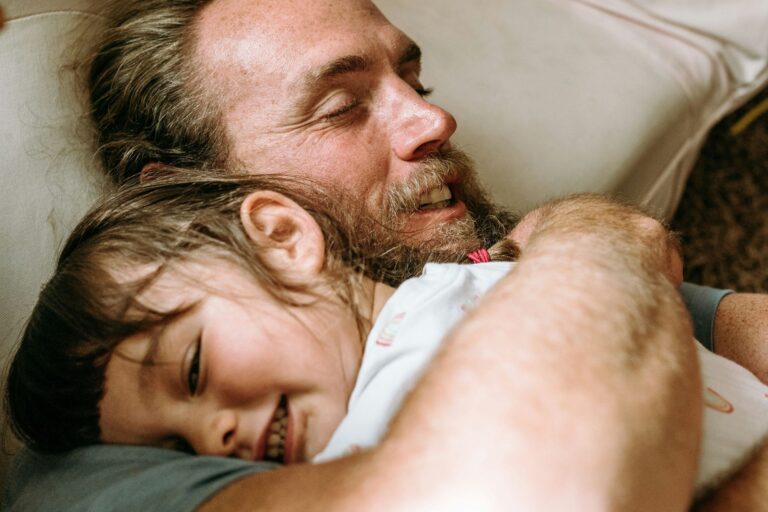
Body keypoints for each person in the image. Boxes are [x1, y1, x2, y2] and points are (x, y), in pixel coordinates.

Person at [3, 0, 766, 509]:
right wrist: (600, 235)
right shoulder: (97, 462)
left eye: (413, 77)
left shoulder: (461, 277)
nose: (435, 118)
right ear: (203, 193)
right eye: (340, 109)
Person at [6, 173, 767, 502]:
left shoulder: (481, 281)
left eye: (196, 369)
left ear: (279, 236)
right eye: (177, 451)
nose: (216, 436)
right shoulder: (361, 460)